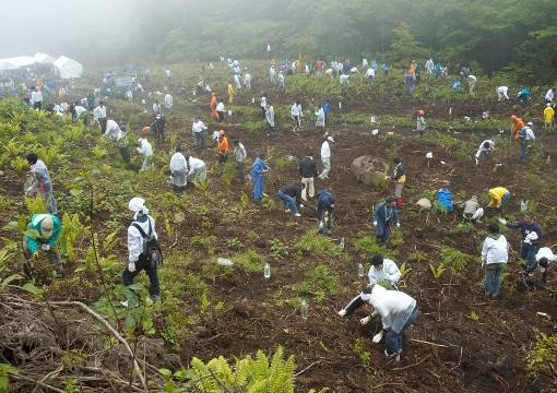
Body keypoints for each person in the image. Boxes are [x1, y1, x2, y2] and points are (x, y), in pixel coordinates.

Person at [361, 285, 418, 362]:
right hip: (410, 304)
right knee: (397, 331)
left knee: (391, 335)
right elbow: (380, 308)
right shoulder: (378, 293)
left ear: (369, 299)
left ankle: (395, 356)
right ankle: (399, 349)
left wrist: (381, 334)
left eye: (366, 301)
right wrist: (369, 317)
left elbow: (387, 323)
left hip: (408, 311)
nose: (367, 303)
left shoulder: (378, 303)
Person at [122, 197, 160, 305]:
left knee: (127, 276)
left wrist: (132, 261)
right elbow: (154, 235)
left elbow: (133, 247)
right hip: (152, 252)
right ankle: (155, 297)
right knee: (153, 274)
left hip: (140, 256)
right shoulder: (150, 219)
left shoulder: (132, 228)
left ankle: (133, 301)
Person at [481, 223, 508, 299]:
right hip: (503, 260)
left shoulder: (488, 239)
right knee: (498, 277)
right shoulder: (503, 237)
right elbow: (505, 248)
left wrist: (483, 262)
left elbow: (484, 252)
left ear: (489, 231)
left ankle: (488, 293)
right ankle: (495, 294)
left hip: (492, 260)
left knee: (488, 277)